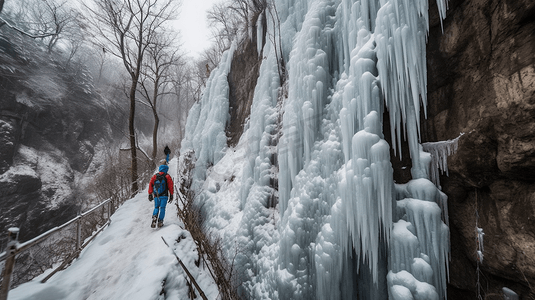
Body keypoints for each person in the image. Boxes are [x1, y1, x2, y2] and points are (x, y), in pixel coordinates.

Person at [148, 159, 174, 228]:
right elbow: (170, 186)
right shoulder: (167, 176)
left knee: (156, 207)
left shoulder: (155, 176)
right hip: (164, 196)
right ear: (166, 168)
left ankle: (154, 217)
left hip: (156, 195)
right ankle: (160, 222)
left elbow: (151, 184)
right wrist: (171, 194)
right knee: (162, 208)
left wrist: (150, 194)